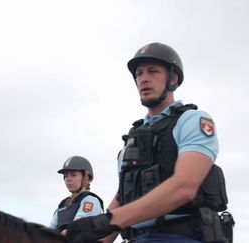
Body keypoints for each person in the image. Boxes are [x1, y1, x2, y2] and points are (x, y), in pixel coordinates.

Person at [66, 42, 231, 243]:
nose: (144, 79)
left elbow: (185, 187)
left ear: (173, 79)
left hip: (184, 236)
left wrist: (104, 221)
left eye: (153, 72)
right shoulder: (131, 139)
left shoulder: (192, 121)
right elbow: (122, 197)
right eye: (139, 74)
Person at [50, 156, 104, 235]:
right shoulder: (63, 204)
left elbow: (76, 229)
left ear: (86, 177)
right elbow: (50, 229)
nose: (68, 179)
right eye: (66, 176)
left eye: (73, 175)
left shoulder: (90, 201)